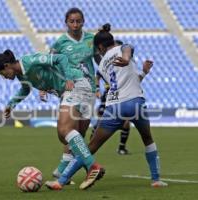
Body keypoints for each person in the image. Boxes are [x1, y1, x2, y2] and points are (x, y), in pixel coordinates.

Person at [46, 24, 168, 190]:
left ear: (101, 47)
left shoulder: (102, 65)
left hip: (114, 108)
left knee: (91, 146)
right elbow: (128, 52)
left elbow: (118, 83)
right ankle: (155, 179)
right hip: (135, 103)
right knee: (147, 139)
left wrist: (130, 64)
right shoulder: (123, 48)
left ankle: (60, 181)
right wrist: (135, 65)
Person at [0, 50, 105, 190]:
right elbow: (25, 89)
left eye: (3, 74)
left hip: (75, 85)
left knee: (64, 130)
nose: (5, 78)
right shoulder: (21, 75)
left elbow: (61, 58)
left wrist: (68, 78)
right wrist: (11, 104)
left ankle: (92, 166)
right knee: (73, 140)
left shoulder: (29, 61)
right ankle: (62, 177)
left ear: (7, 65)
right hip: (82, 90)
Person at [40, 7, 98, 180]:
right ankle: (69, 168)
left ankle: (65, 169)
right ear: (66, 22)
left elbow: (98, 60)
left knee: (80, 133)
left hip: (89, 89)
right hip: (72, 87)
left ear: (83, 22)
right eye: (71, 21)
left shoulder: (91, 39)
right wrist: (44, 85)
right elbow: (49, 64)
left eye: (78, 21)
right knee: (69, 130)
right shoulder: (60, 43)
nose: (75, 24)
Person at [94, 39, 132, 155]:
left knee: (126, 122)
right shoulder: (107, 61)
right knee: (101, 121)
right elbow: (98, 74)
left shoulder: (126, 63)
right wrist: (96, 88)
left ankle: (121, 147)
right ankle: (91, 145)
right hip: (108, 94)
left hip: (122, 94)